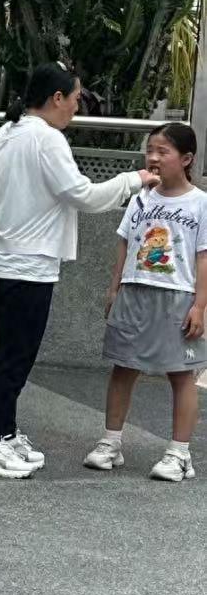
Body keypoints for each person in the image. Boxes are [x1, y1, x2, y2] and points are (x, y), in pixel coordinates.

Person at [0, 61, 154, 480]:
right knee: (14, 356)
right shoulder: (46, 139)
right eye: (75, 98)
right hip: (28, 265)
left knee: (12, 352)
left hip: (5, 260)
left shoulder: (7, 132)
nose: (76, 106)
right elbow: (82, 195)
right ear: (56, 98)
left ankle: (4, 432)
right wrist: (133, 180)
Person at [83, 122, 206, 482]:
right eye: (150, 150)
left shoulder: (200, 203)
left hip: (177, 296)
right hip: (134, 291)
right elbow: (125, 242)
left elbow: (204, 258)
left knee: (181, 374)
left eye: (162, 151)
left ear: (186, 159)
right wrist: (114, 288)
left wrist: (200, 306)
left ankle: (179, 453)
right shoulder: (141, 198)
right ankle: (110, 443)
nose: (153, 157)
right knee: (123, 367)